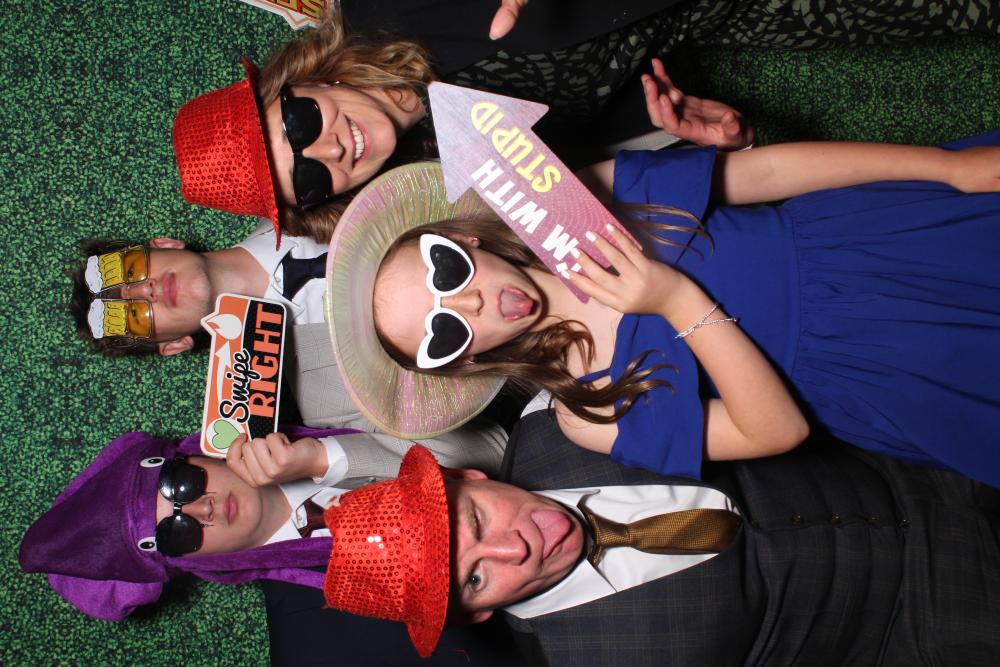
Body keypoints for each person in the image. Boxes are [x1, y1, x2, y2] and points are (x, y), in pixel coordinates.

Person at [322, 133, 1000, 489]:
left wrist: (948, 170)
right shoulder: (587, 411)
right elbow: (776, 431)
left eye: (446, 270)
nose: (468, 301)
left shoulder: (579, 202)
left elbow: (764, 174)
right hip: (888, 371)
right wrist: (675, 300)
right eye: (445, 330)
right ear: (465, 358)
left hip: (878, 236)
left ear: (463, 239)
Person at [172, 2, 998, 242]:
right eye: (309, 176)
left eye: (299, 123)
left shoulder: (382, 7)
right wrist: (709, 134)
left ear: (302, 79)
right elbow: (609, 116)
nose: (327, 148)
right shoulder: (470, 166)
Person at [306, 411, 1000, 665]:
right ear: (476, 614)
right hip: (944, 623)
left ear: (470, 476)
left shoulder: (558, 423)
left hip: (917, 450)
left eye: (477, 523)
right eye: (476, 577)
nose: (513, 549)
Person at [17, 427, 521, 666]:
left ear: (195, 455)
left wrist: (322, 457)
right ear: (191, 565)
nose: (201, 509)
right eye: (176, 532)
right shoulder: (318, 651)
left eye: (180, 486)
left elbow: (496, 447)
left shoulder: (321, 392)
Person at [68, 220, 507, 476]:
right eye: (131, 316)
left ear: (164, 245)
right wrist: (317, 459)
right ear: (174, 345)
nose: (143, 291)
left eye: (129, 271)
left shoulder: (299, 196)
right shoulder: (326, 403)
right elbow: (486, 450)